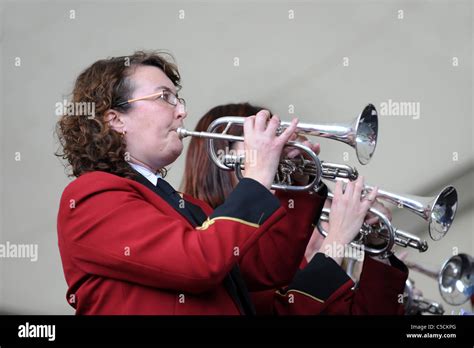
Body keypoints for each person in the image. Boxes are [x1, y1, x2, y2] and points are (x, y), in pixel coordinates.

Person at [55, 51, 333, 315]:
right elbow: (198, 262)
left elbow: (266, 269)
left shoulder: (188, 205)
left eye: (179, 99)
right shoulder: (90, 197)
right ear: (115, 119)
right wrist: (258, 173)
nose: (181, 112)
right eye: (165, 97)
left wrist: (298, 180)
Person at [182, 103, 409, 315]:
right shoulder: (209, 234)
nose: (276, 148)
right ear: (221, 158)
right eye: (262, 139)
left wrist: (377, 249)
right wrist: (337, 240)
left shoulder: (284, 249)